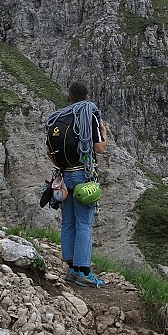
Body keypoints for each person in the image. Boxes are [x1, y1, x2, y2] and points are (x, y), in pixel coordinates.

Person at [46, 82, 107, 287]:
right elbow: (98, 148)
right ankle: (84, 271)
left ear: (68, 96)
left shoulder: (57, 118)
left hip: (64, 176)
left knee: (68, 222)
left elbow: (50, 153)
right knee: (84, 224)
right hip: (83, 174)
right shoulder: (89, 114)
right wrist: (104, 131)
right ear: (87, 96)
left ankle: (71, 269)